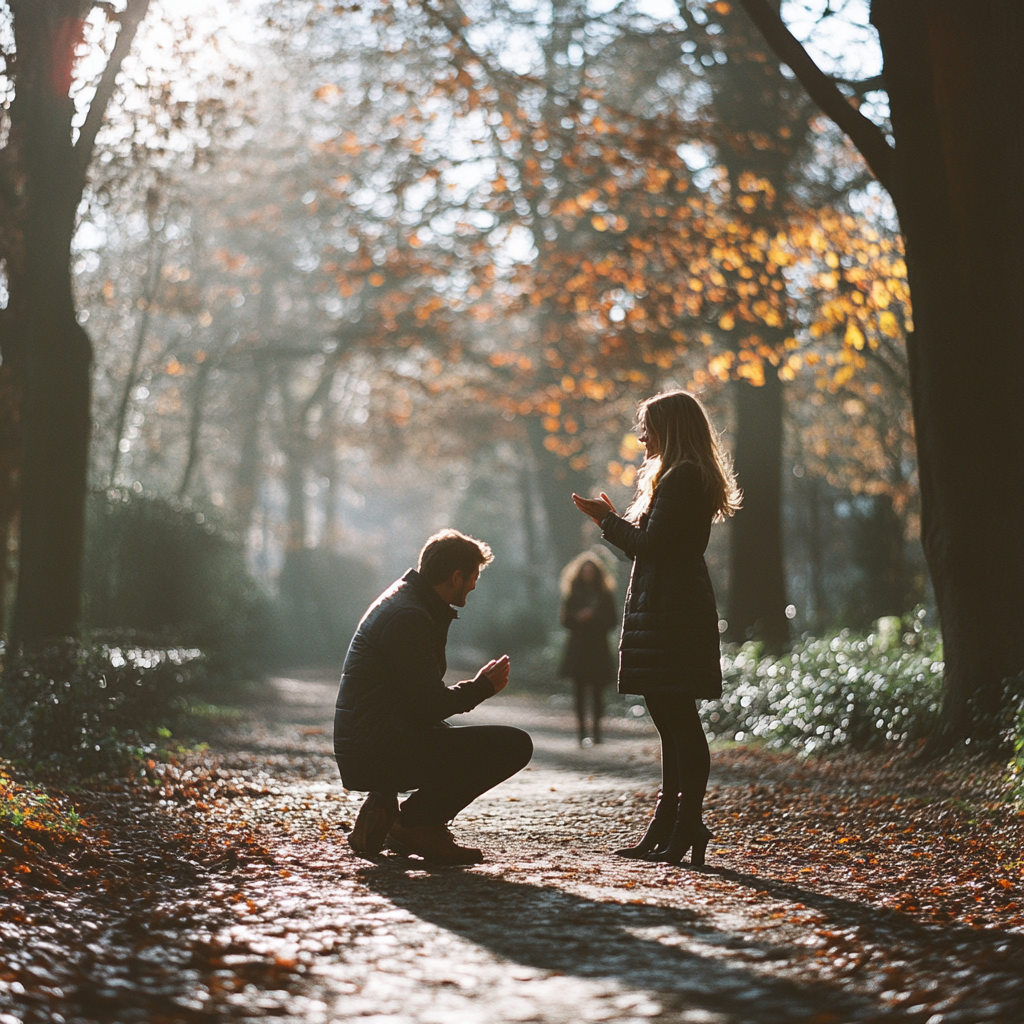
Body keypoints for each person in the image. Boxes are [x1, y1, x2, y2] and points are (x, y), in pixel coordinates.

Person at [572, 391, 740, 866]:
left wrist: (607, 520)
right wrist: (612, 524)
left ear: (672, 427)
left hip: (674, 608)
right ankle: (672, 821)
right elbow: (646, 546)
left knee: (679, 720)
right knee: (670, 721)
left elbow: (655, 546)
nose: (641, 435)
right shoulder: (677, 476)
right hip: (667, 605)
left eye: (648, 425)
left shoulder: (683, 477)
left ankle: (686, 823)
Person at [334, 529, 533, 865]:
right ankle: (414, 825)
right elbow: (428, 705)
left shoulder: (409, 603)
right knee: (514, 746)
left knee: (459, 740)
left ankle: (398, 815)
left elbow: (405, 700)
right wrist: (482, 687)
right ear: (456, 577)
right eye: (473, 577)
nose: (474, 585)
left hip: (373, 742)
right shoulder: (409, 616)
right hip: (376, 749)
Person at [558, 553, 617, 746]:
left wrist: (596, 617)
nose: (588, 573)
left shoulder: (605, 594)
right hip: (579, 649)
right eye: (585, 570)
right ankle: (582, 732)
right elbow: (565, 621)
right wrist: (578, 617)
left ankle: (598, 733)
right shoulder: (573, 593)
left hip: (598, 648)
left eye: (592, 570)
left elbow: (613, 621)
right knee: (580, 692)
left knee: (598, 693)